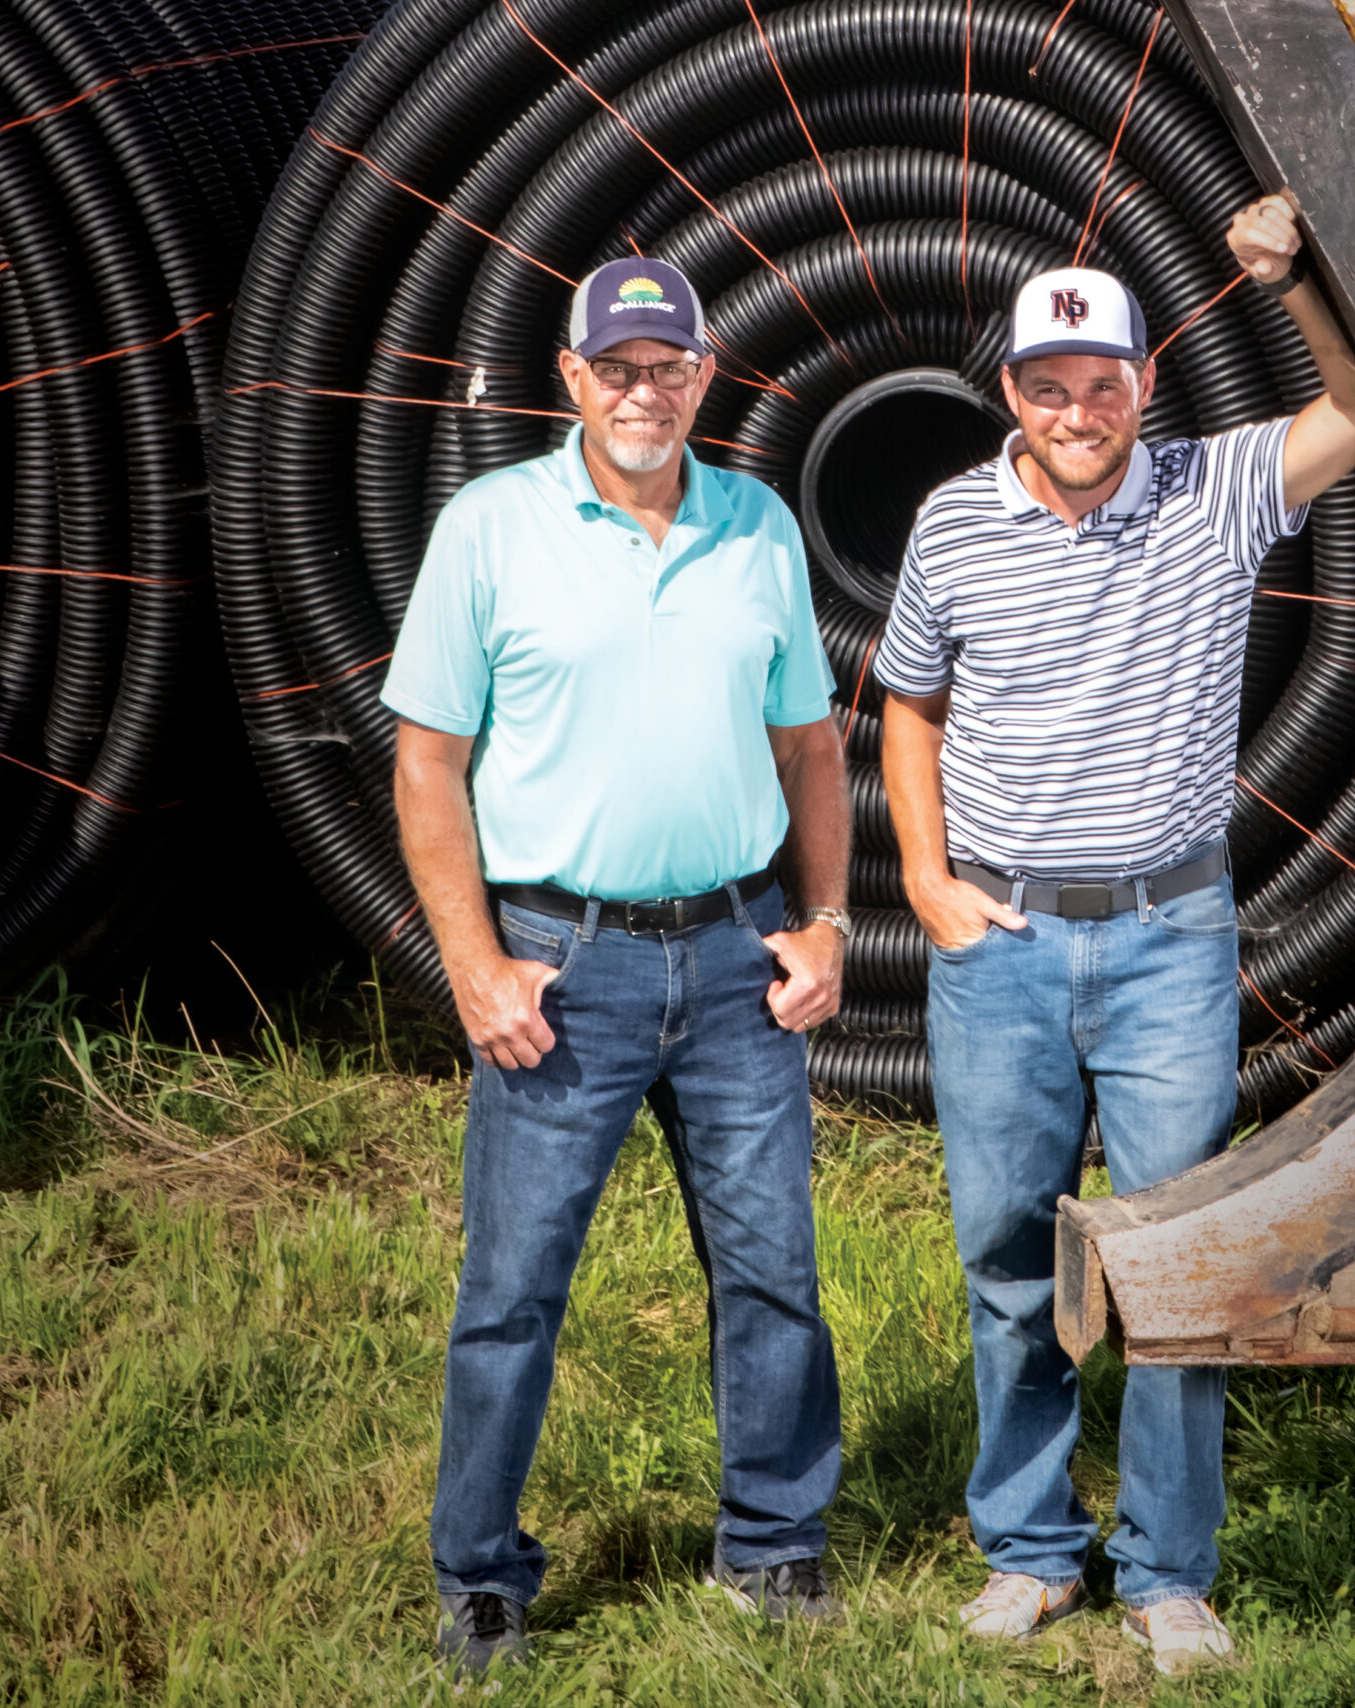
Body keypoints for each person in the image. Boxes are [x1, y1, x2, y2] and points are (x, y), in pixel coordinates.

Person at [876, 195, 1355, 1676]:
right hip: (1005, 940)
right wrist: (924, 878)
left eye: (1102, 383)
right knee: (1007, 1254)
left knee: (1178, 1259)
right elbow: (909, 705)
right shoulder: (952, 526)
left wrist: (1293, 281)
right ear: (1011, 393)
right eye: (1050, 387)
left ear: (1143, 383)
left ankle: (1168, 1567)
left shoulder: (1213, 492)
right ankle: (1031, 1551)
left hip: (1169, 938)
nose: (1078, 411)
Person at [384, 258, 856, 1677]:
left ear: (705, 377)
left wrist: (827, 923)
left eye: (669, 367)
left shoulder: (757, 525)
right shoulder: (491, 528)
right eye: (618, 368)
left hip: (733, 956)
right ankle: (481, 1578)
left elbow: (809, 747)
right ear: (573, 378)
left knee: (773, 1271)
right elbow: (429, 759)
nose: (644, 392)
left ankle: (774, 1545)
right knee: (514, 1290)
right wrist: (474, 963)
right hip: (560, 963)